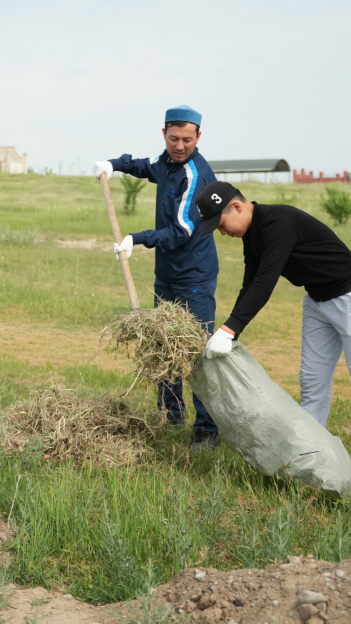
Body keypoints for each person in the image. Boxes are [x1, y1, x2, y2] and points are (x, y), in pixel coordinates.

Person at [195, 181, 351, 497]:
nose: (221, 232)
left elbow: (266, 282)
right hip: (317, 302)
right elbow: (250, 285)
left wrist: (230, 329)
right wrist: (229, 330)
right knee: (312, 384)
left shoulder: (277, 224)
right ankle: (315, 466)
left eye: (220, 224)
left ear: (237, 207)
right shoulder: (252, 236)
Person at [94, 104, 221, 451]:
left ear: (198, 137)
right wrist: (114, 165)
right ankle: (170, 416)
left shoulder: (196, 176)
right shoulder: (167, 162)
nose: (180, 146)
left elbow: (181, 230)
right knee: (162, 344)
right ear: (164, 133)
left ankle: (207, 432)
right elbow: (145, 167)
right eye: (174, 138)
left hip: (194, 276)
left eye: (187, 140)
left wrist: (137, 238)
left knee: (195, 352)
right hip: (167, 274)